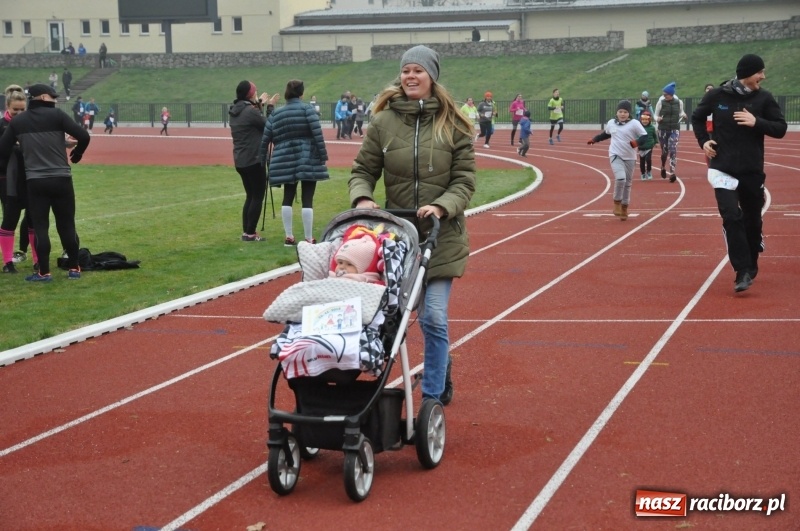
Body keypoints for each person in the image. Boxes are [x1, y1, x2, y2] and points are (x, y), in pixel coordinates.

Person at [348, 44, 476, 406]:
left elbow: (465, 181)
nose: (410, 76)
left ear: (432, 76)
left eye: (418, 70)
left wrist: (441, 205)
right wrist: (362, 198)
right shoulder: (383, 122)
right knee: (391, 321)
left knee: (433, 317)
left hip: (442, 237)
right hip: (398, 241)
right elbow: (363, 171)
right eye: (406, 70)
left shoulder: (454, 125)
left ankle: (433, 395)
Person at [690, 53, 787, 293]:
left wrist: (757, 122)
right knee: (731, 216)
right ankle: (742, 271)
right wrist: (704, 141)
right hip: (722, 167)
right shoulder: (717, 95)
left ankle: (751, 261)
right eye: (759, 72)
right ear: (746, 74)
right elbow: (697, 117)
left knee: (752, 221)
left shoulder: (763, 98)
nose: (763, 77)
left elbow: (781, 128)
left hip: (751, 170)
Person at [0, 84, 90, 281]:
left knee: (40, 227)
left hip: (36, 181)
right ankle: (74, 269)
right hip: (62, 179)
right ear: (42, 97)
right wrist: (77, 154)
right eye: (52, 96)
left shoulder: (19, 121)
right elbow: (84, 135)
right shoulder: (58, 116)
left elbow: (2, 150)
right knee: (67, 224)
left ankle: (44, 272)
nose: (55, 99)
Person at [260, 79, 329, 246]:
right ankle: (308, 238)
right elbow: (317, 134)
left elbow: (265, 140)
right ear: (302, 93)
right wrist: (322, 155)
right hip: (308, 156)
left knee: (287, 197)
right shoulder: (308, 110)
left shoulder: (276, 114)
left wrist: (263, 160)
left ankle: (289, 237)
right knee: (307, 198)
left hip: (284, 158)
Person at [229, 80, 278, 242]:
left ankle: (247, 232)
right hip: (254, 159)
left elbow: (253, 120)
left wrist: (258, 104)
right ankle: (250, 233)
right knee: (257, 196)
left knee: (250, 196)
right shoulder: (251, 111)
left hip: (241, 159)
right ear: (250, 94)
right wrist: (270, 107)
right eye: (255, 93)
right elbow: (268, 125)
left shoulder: (235, 110)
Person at [587, 100, 647, 222]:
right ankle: (616, 203)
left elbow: (645, 136)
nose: (622, 114)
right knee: (620, 178)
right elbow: (606, 134)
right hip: (615, 155)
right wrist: (594, 139)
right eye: (620, 111)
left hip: (630, 157)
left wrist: (637, 142)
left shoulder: (634, 123)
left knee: (628, 183)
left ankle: (624, 207)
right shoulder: (611, 123)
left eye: (625, 112)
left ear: (629, 113)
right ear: (616, 112)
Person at [0, 86, 32, 273]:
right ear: (7, 107)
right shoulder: (1, 125)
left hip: (27, 178)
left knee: (33, 217)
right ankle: (7, 262)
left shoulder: (29, 125)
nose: (19, 113)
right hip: (4, 178)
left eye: (22, 110)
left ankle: (34, 258)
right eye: (15, 110)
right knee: (10, 218)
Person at [654, 81, 687, 182]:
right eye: (663, 94)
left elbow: (681, 112)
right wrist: (657, 118)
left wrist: (684, 115)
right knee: (664, 152)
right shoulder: (661, 102)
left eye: (666, 94)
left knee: (673, 150)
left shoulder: (679, 102)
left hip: (674, 129)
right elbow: (655, 115)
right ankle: (663, 166)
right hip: (663, 129)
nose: (664, 96)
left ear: (671, 94)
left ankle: (672, 172)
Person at [636, 110, 658, 180]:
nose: (645, 121)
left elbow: (654, 136)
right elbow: (636, 136)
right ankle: (643, 173)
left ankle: (649, 171)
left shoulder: (652, 128)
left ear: (649, 120)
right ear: (641, 120)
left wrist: (656, 142)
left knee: (648, 159)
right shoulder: (638, 128)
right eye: (643, 120)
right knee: (642, 161)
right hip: (641, 147)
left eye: (646, 120)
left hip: (649, 147)